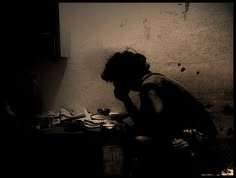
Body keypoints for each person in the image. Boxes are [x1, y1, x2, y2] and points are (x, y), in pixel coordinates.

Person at [101, 49, 219, 176]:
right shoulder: (151, 81)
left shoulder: (149, 85)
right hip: (184, 132)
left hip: (197, 136)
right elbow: (144, 123)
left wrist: (151, 139)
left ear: (126, 75)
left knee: (135, 142)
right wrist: (125, 99)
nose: (116, 85)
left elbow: (160, 117)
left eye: (116, 80)